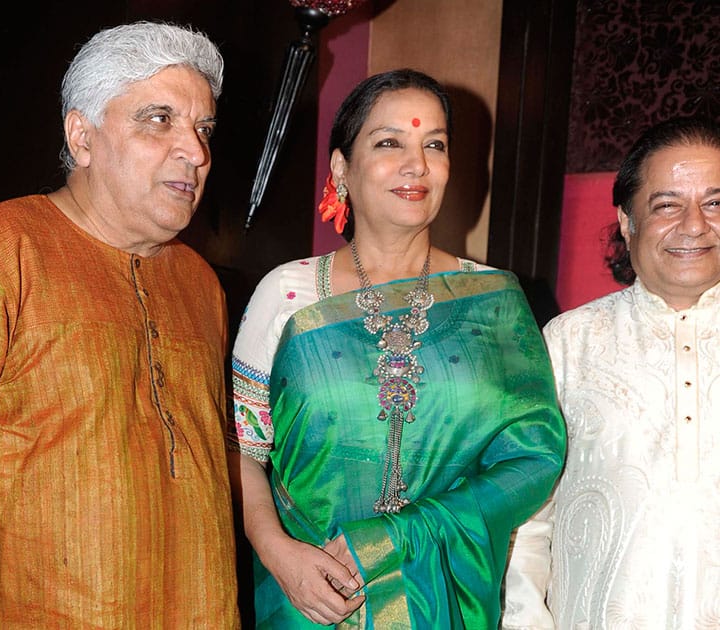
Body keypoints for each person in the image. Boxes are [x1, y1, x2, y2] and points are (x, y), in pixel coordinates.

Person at [0, 21, 241, 628]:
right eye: (158, 119)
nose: (195, 152)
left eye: (203, 129)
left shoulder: (200, 284)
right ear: (82, 136)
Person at [227, 68, 567, 629]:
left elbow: (533, 460)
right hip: (313, 598)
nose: (418, 164)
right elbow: (244, 450)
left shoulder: (493, 303)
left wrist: (404, 534)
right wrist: (278, 553)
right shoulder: (287, 294)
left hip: (444, 599)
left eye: (435, 144)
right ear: (341, 167)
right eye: (390, 143)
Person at [502, 115, 720, 629]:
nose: (695, 224)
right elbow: (528, 521)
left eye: (715, 203)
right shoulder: (569, 342)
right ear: (627, 221)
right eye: (667, 204)